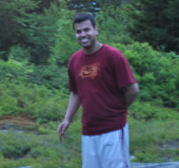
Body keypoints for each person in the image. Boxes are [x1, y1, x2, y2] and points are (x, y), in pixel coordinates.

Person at [57, 12, 139, 168]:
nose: (83, 35)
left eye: (87, 30)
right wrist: (67, 119)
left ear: (96, 30)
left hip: (113, 129)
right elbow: (75, 92)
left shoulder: (113, 56)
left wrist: (117, 110)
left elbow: (133, 89)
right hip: (88, 130)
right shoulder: (74, 60)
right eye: (78, 31)